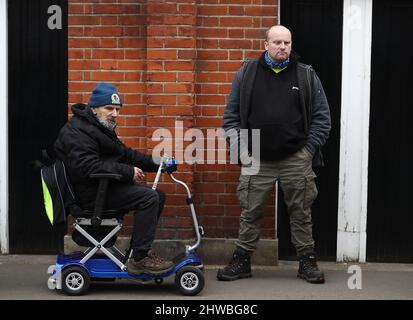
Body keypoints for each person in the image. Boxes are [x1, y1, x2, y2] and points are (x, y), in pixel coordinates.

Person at [218, 25, 331, 283]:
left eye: (287, 43)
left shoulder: (305, 75)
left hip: (296, 158)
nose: (283, 47)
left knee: (301, 212)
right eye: (277, 42)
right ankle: (242, 261)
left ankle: (307, 262)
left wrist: (308, 151)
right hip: (256, 157)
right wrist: (242, 152)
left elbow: (322, 118)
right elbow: (231, 118)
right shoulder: (247, 74)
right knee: (250, 211)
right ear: (266, 44)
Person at [54, 82, 176, 275]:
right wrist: (127, 172)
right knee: (149, 197)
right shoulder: (77, 131)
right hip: (91, 195)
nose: (115, 113)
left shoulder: (98, 128)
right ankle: (140, 259)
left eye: (117, 109)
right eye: (109, 108)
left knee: (156, 195)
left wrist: (159, 163)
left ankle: (138, 252)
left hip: (104, 188)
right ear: (94, 108)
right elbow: (87, 167)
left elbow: (126, 155)